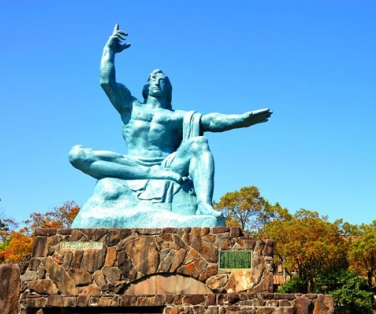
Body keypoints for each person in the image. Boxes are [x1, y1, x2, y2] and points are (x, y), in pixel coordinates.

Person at [69, 24, 272, 217]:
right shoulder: (130, 106)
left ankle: (204, 205)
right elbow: (107, 81)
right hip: (131, 163)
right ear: (146, 87)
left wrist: (241, 119)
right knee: (77, 154)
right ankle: (150, 174)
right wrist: (109, 50)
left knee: (199, 144)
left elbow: (211, 120)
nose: (156, 81)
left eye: (161, 80)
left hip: (168, 164)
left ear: (169, 88)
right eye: (152, 79)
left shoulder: (178, 116)